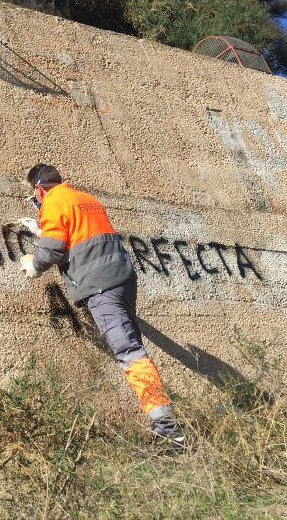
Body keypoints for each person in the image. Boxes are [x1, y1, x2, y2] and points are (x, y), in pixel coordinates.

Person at [18, 163, 185, 445]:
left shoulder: (54, 200)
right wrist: (41, 229)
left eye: (33, 195)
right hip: (122, 278)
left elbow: (54, 250)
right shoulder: (86, 199)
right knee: (132, 345)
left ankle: (167, 428)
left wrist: (34, 264)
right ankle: (165, 419)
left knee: (129, 351)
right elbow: (78, 235)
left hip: (100, 286)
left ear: (38, 188)